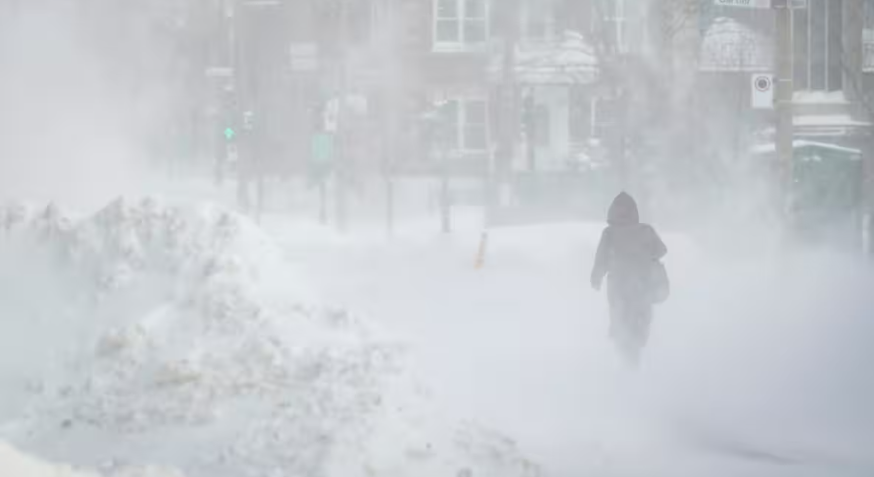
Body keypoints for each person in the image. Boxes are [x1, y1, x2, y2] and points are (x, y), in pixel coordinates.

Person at [591, 192, 667, 366]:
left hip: (618, 287)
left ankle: (624, 348)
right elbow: (661, 251)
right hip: (642, 286)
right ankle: (636, 346)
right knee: (641, 317)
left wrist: (596, 278)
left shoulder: (609, 233)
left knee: (619, 317)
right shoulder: (645, 230)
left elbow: (600, 259)